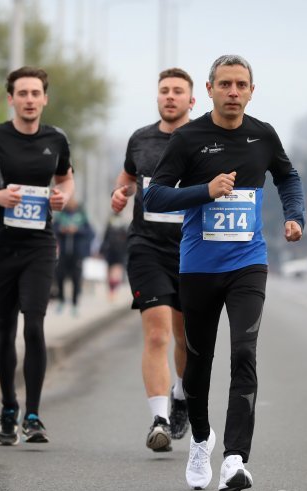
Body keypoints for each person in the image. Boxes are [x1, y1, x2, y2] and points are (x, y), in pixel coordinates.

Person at [145, 55, 305, 491]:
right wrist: (205, 191)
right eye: (226, 85)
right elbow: (154, 197)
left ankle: (235, 458)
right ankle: (201, 440)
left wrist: (295, 216)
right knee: (197, 362)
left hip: (247, 265)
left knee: (244, 353)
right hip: (198, 267)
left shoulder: (262, 135)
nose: (234, 92)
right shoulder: (189, 138)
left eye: (242, 85)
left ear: (252, 91)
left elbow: (288, 178)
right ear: (211, 89)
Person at [0, 66, 75, 446]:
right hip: (0, 246)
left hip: (39, 245)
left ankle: (33, 415)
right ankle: (9, 406)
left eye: (35, 93)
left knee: (35, 325)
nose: (28, 100)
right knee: (4, 329)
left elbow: (65, 177)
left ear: (44, 99)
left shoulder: (56, 139)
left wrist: (64, 196)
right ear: (11, 99)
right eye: (21, 93)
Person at [111, 67, 195, 453]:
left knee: (186, 336)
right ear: (157, 97)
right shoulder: (141, 139)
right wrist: (120, 194)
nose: (170, 96)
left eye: (178, 91)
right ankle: (159, 419)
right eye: (164, 90)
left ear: (192, 100)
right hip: (147, 246)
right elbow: (127, 178)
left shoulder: (203, 140)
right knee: (158, 332)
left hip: (193, 248)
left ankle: (181, 393)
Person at [53, 198, 93, 317]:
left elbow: (89, 232)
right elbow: (53, 228)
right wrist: (62, 230)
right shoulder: (60, 215)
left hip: (77, 253)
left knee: (76, 279)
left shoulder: (82, 215)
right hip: (63, 252)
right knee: (59, 276)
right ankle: (61, 300)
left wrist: (77, 230)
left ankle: (75, 304)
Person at [98, 213, 128, 302]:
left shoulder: (121, 223)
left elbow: (126, 239)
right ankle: (112, 292)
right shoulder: (113, 222)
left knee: (115, 274)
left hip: (118, 252)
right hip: (111, 252)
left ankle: (113, 293)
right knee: (111, 274)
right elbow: (105, 238)